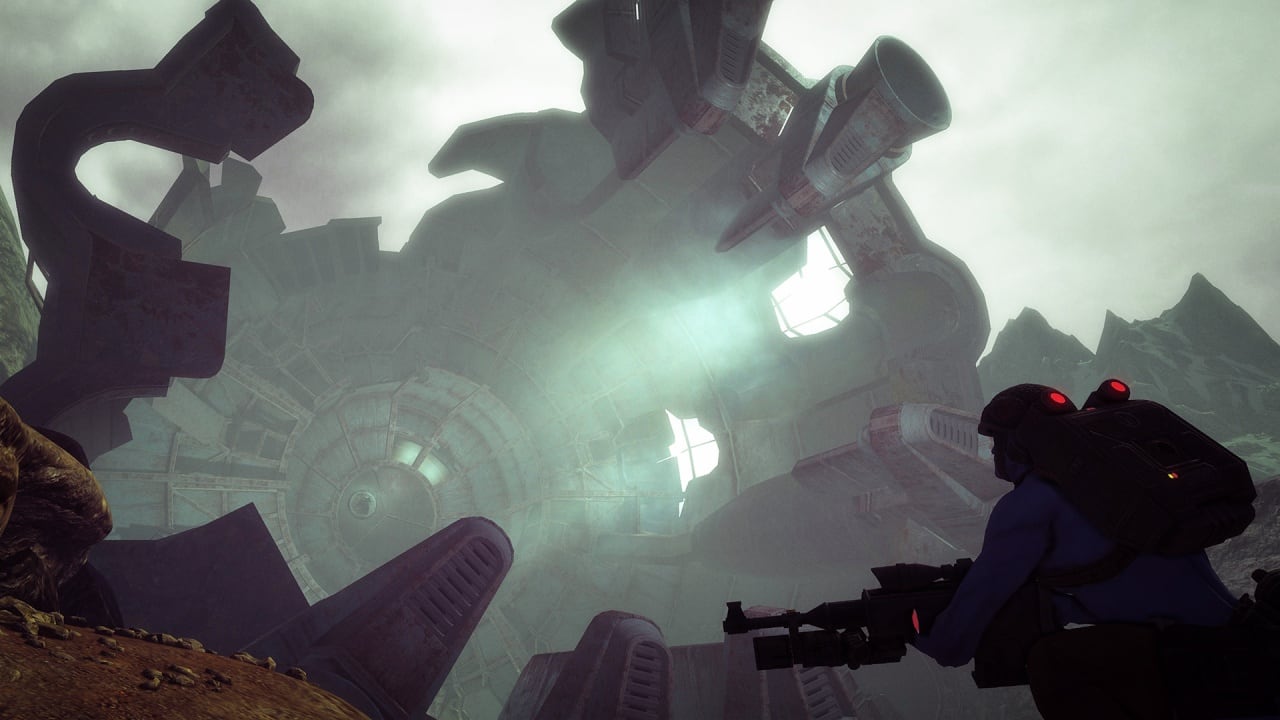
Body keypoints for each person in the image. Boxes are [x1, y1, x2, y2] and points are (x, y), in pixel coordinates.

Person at [910, 383, 1277, 719]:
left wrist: (932, 638)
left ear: (1018, 444)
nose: (993, 451)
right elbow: (1128, 586)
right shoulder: (1125, 484)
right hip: (1240, 639)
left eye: (998, 440)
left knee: (1053, 661)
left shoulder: (1030, 503)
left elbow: (978, 602)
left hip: (1190, 659)